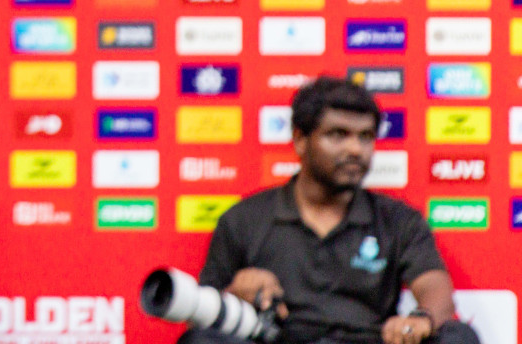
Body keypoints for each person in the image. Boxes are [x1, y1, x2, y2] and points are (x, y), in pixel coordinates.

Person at [187, 77, 480, 344]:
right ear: (301, 140)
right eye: (338, 134)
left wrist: (422, 319)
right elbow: (202, 309)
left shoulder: (397, 219)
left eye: (365, 136)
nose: (355, 149)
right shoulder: (244, 219)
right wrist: (236, 293)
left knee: (458, 337)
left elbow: (435, 285)